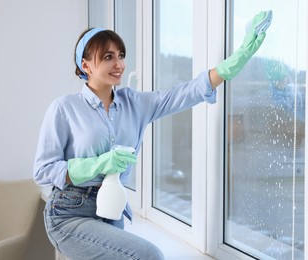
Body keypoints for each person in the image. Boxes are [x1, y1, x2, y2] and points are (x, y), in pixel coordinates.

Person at [33, 11, 272, 260]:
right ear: (86, 65)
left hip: (110, 210)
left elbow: (183, 94)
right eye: (108, 57)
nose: (119, 64)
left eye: (121, 56)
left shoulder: (135, 103)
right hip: (69, 211)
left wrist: (235, 60)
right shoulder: (64, 108)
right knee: (149, 255)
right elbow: (43, 169)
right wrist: (95, 165)